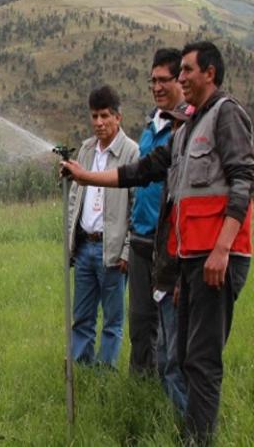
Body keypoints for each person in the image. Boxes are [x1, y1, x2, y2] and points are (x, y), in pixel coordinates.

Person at [61, 41, 253, 445]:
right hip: (187, 259)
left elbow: (244, 180)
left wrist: (222, 249)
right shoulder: (185, 130)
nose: (180, 78)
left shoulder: (226, 114)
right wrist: (87, 177)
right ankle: (192, 434)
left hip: (217, 259)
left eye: (186, 71)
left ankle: (199, 440)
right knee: (181, 356)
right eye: (177, 72)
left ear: (210, 74)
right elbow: (143, 170)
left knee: (201, 360)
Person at [127, 48, 187, 412]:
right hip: (139, 241)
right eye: (153, 80)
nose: (157, 87)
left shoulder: (185, 129)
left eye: (164, 80)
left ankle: (174, 403)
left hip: (170, 246)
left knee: (169, 333)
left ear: (181, 80)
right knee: (139, 323)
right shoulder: (150, 128)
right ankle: (139, 393)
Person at [67, 85, 138, 368]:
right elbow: (75, 196)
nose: (98, 123)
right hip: (85, 247)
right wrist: (71, 239)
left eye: (105, 116)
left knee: (112, 320)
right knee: (82, 316)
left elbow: (135, 205)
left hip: (112, 251)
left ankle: (105, 373)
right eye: (94, 116)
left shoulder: (131, 152)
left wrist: (127, 250)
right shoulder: (85, 150)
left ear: (118, 117)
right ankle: (81, 367)